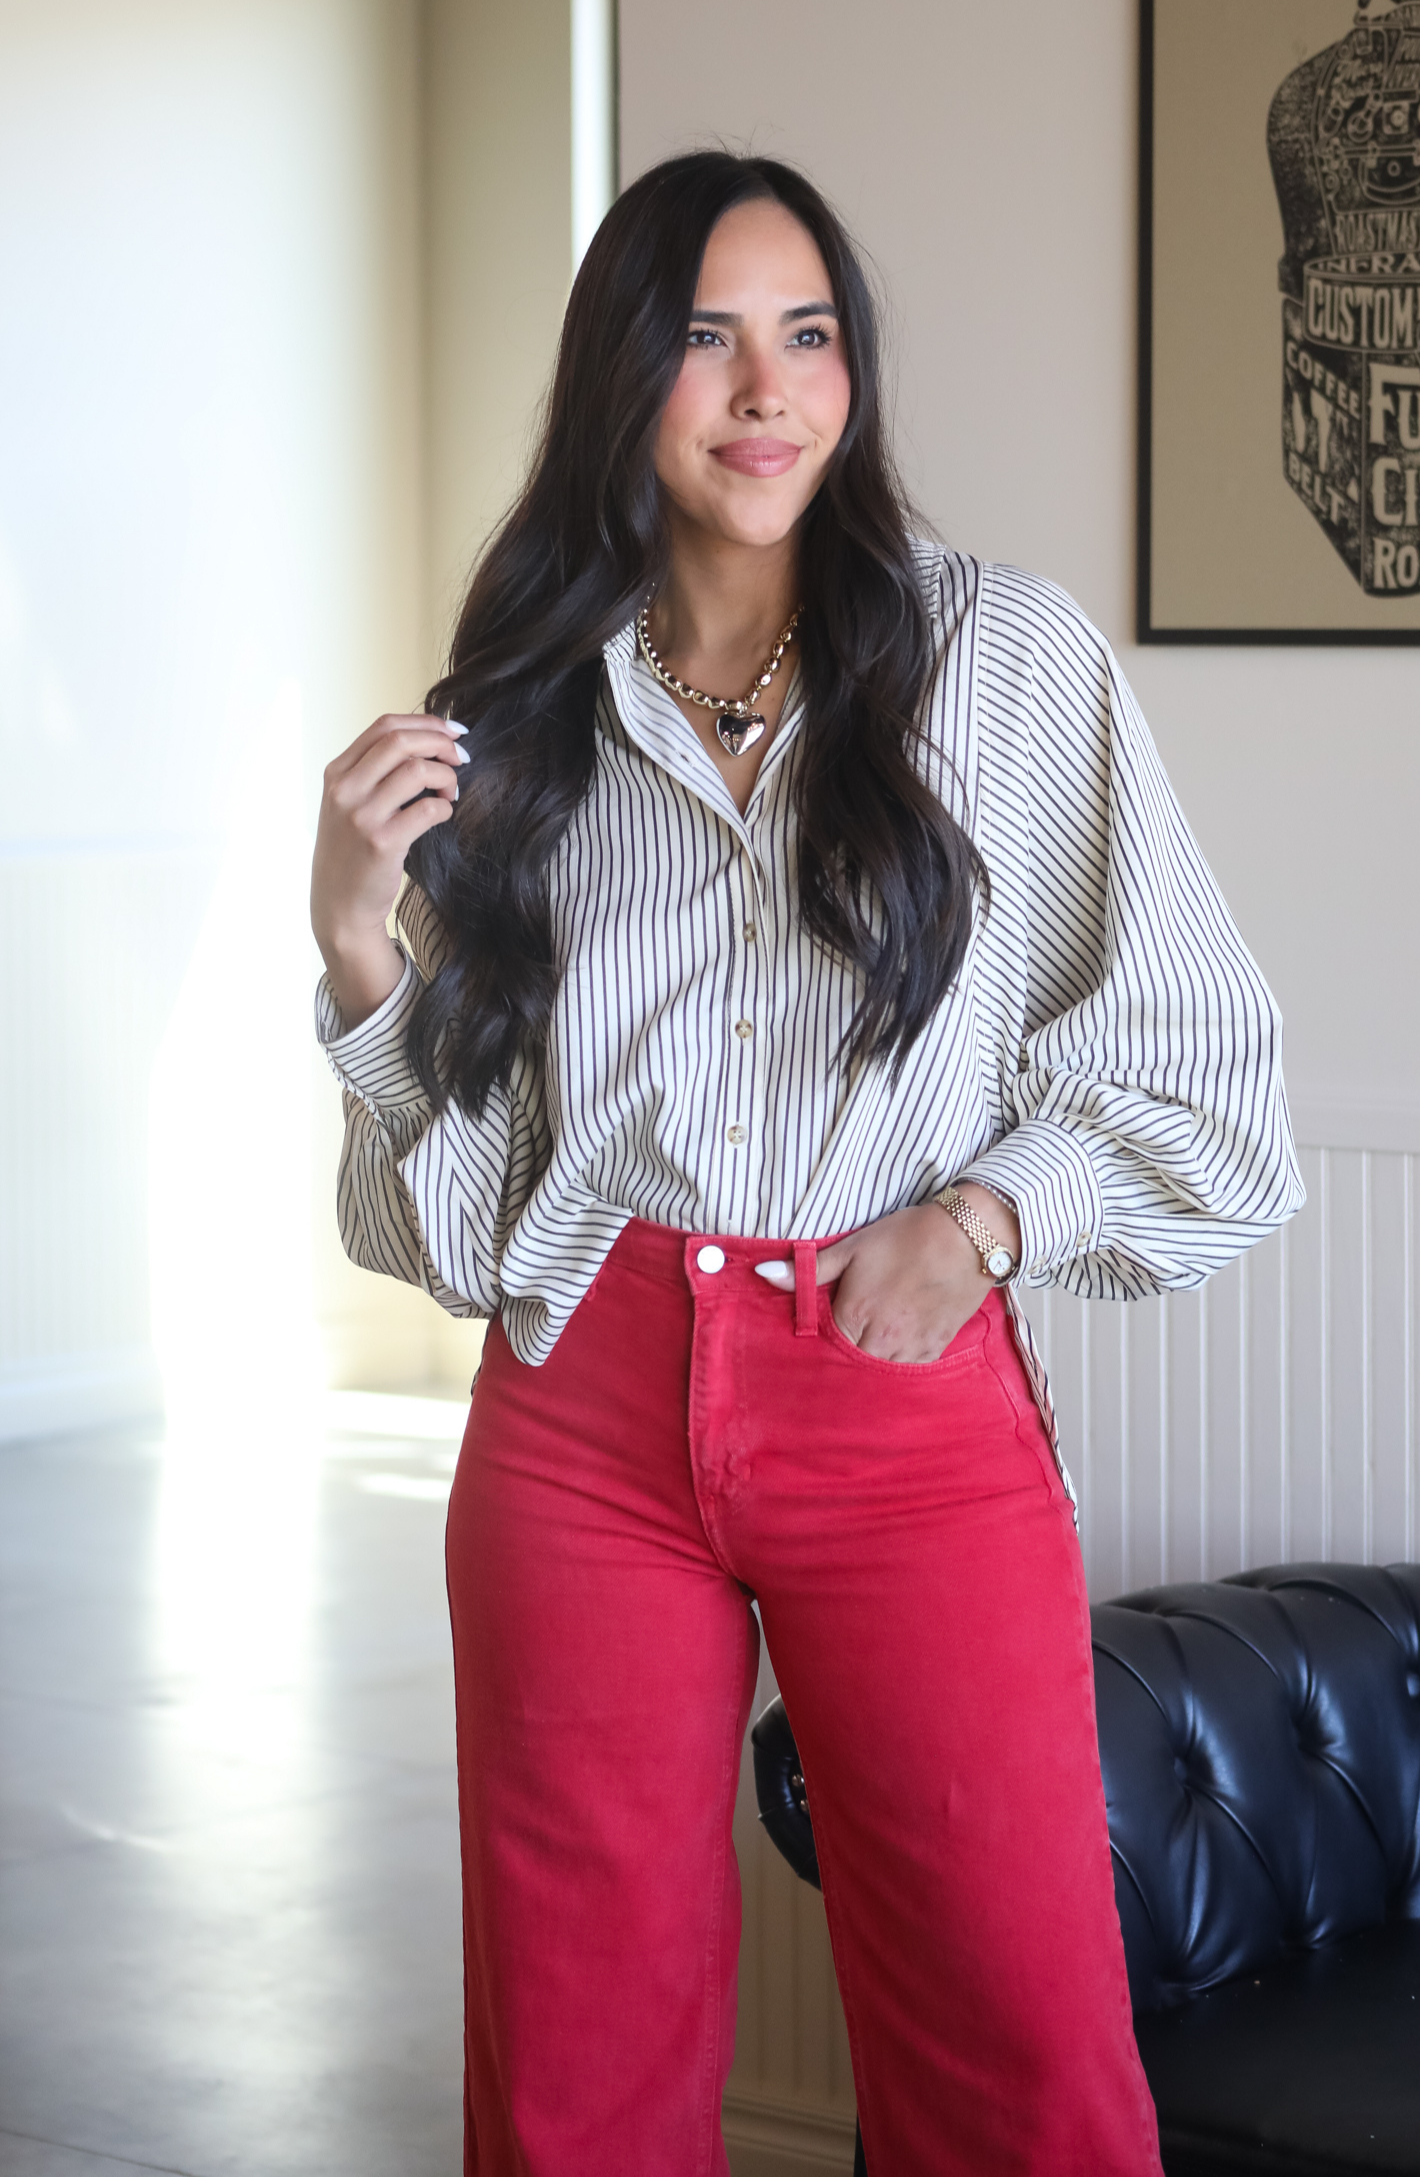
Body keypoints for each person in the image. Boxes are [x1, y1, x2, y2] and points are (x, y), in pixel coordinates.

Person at [309, 152, 1303, 2177]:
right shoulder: (520, 727)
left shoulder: (1002, 665)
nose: (763, 391)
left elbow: (1212, 1079)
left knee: (1015, 2055)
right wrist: (350, 945)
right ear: (623, 380)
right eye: (702, 338)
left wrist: (984, 1213)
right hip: (577, 1410)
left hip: (899, 1390)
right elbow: (467, 1227)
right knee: (571, 2067)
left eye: (807, 335)